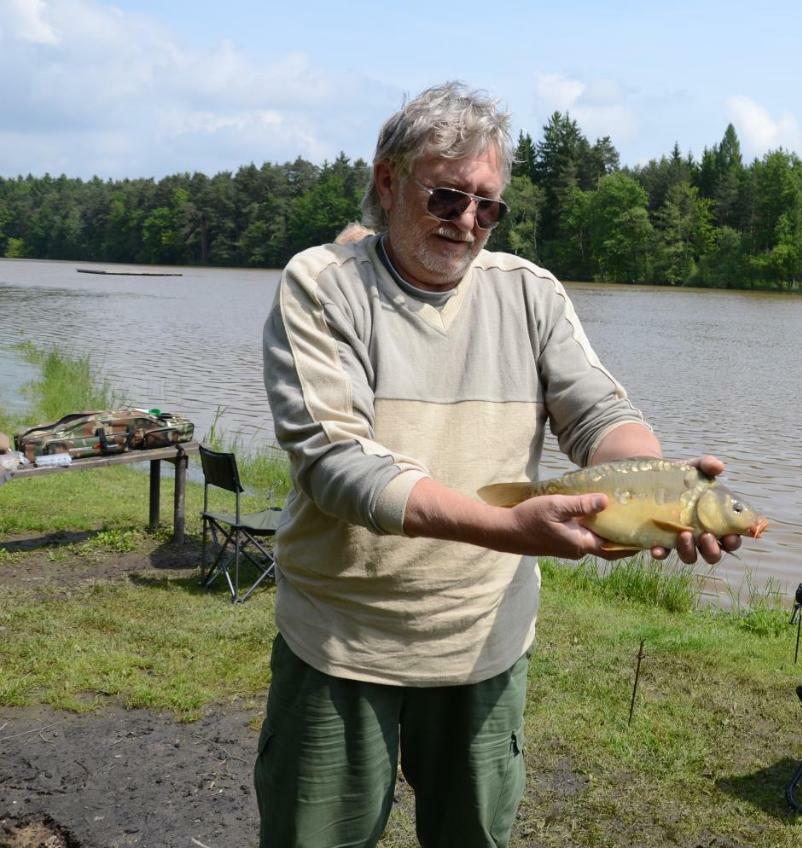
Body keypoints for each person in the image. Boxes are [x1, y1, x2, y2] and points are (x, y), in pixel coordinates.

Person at [256, 81, 740, 848]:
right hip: (341, 646)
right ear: (389, 180)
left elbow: (601, 416)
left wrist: (661, 486)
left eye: (489, 206)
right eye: (448, 199)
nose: (470, 223)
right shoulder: (322, 286)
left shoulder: (531, 294)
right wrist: (504, 527)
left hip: (484, 646)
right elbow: (334, 462)